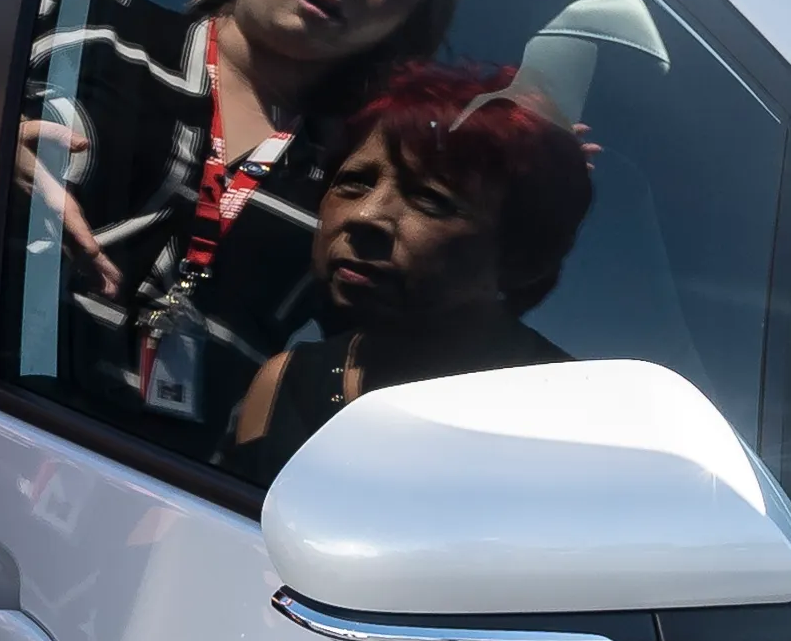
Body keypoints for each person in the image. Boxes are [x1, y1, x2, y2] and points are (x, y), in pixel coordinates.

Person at [21, 0, 458, 442]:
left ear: (398, 31)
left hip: (168, 475)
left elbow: (410, 329)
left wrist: (529, 168)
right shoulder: (77, 11)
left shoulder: (355, 167)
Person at [227, 64, 596, 476]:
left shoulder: (573, 424)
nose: (366, 216)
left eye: (432, 200)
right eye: (354, 182)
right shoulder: (282, 384)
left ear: (524, 258)